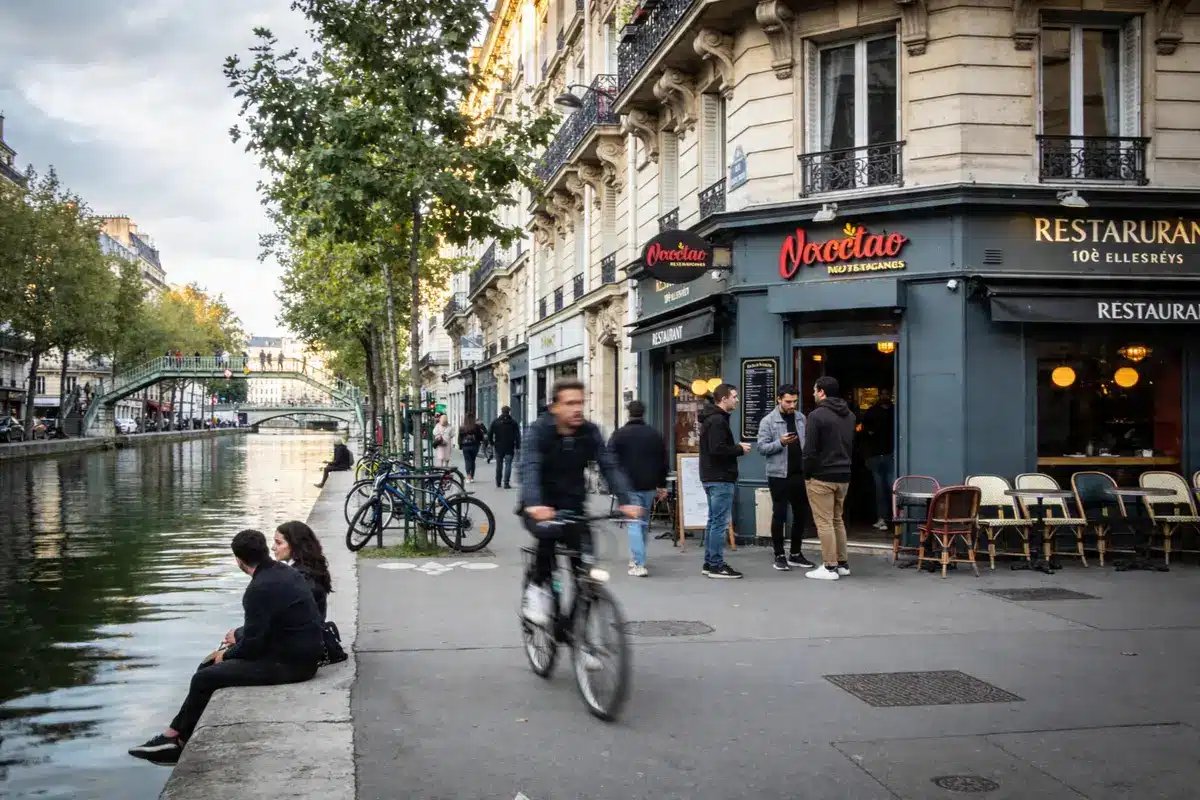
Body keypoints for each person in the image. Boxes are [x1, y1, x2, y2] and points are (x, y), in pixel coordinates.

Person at [128, 530, 323, 765]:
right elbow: (267, 626)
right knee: (209, 666)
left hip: (292, 665)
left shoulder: (258, 589)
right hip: (301, 653)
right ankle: (172, 736)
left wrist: (227, 654)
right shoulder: (285, 572)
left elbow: (251, 646)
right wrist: (231, 649)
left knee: (204, 677)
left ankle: (176, 742)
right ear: (263, 550)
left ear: (239, 561)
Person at [519, 378, 640, 625]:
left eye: (580, 403)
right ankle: (537, 589)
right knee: (548, 536)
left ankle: (581, 638)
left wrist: (627, 500)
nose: (577, 409)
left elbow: (609, 465)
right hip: (541, 507)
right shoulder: (539, 431)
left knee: (586, 573)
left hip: (574, 507)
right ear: (554, 407)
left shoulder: (589, 432)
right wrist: (534, 504)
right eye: (570, 403)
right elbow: (529, 467)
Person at [756, 384, 816, 571]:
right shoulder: (768, 421)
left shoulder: (801, 418)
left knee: (800, 514)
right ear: (779, 400)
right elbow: (761, 448)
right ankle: (779, 554)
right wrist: (780, 443)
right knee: (779, 514)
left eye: (795, 401)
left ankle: (796, 554)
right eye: (788, 401)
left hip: (799, 473)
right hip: (778, 475)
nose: (792, 405)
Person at [803, 376, 857, 581]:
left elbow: (809, 450)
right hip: (844, 474)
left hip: (822, 475)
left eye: (815, 390)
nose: (813, 393)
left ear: (822, 392)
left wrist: (807, 473)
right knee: (837, 519)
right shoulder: (850, 415)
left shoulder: (817, 416)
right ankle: (842, 563)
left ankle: (829, 566)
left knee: (824, 522)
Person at [608, 400, 668, 577]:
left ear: (628, 413)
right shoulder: (654, 434)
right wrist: (662, 484)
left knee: (634, 522)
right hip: (649, 484)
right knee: (642, 522)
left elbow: (610, 459)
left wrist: (614, 483)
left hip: (628, 485)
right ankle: (638, 557)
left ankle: (638, 561)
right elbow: (663, 461)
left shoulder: (619, 435)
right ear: (644, 413)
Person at [698, 384, 752, 579]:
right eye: (734, 396)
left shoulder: (712, 419)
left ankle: (710, 562)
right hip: (720, 477)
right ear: (723, 399)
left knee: (714, 521)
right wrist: (738, 449)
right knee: (719, 522)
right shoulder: (717, 421)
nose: (737, 400)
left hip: (711, 476)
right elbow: (718, 449)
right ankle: (716, 565)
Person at [862, 389, 895, 531]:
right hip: (880, 455)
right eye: (884, 394)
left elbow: (864, 433)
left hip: (884, 454)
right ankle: (888, 518)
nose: (885, 396)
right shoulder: (894, 411)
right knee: (884, 488)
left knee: (887, 488)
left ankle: (888, 519)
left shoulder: (876, 412)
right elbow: (865, 432)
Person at [488, 406, 521, 489]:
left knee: (499, 465)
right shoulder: (513, 422)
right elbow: (517, 435)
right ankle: (506, 483)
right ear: (509, 412)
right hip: (509, 446)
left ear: (501, 411)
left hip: (498, 447)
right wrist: (517, 445)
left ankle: (498, 482)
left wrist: (491, 442)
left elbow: (490, 433)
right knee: (508, 465)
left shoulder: (496, 422)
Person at [458, 413, 487, 483]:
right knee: (473, 461)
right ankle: (472, 476)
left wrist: (460, 446)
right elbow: (481, 436)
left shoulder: (462, 427)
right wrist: (479, 441)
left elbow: (460, 438)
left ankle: (468, 476)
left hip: (465, 446)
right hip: (474, 446)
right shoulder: (476, 427)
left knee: (467, 461)